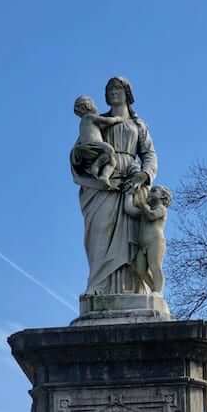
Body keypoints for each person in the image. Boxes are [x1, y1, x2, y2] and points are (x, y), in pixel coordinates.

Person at [70, 76, 158, 295]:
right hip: (104, 185)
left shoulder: (139, 125)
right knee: (99, 233)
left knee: (133, 243)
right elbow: (83, 147)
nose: (112, 92)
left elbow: (149, 154)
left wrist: (144, 175)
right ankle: (98, 287)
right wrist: (82, 159)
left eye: (117, 87)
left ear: (127, 92)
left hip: (131, 182)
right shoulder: (96, 119)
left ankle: (135, 291)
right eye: (109, 89)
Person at [124, 184, 173, 294]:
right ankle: (154, 289)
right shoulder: (145, 210)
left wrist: (142, 204)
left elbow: (152, 216)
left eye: (154, 191)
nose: (149, 193)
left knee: (155, 266)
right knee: (140, 270)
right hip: (142, 246)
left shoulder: (161, 209)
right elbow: (129, 210)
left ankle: (158, 292)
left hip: (155, 242)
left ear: (163, 197)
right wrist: (129, 194)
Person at [71, 96, 124, 188]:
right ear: (88, 106)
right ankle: (96, 167)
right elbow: (107, 121)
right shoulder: (89, 117)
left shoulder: (84, 122)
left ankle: (104, 176)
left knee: (112, 161)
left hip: (88, 148)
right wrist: (118, 119)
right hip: (94, 145)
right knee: (110, 151)